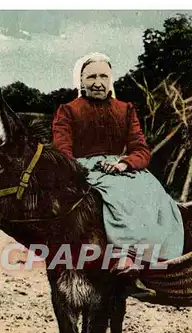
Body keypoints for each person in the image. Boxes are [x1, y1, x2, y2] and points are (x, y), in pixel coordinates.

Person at [52, 53, 184, 298]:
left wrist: (125, 164)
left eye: (104, 76)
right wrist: (80, 169)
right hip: (83, 169)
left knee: (153, 192)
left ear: (111, 80)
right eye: (91, 76)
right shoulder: (68, 111)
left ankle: (152, 263)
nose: (98, 82)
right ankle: (121, 257)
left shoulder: (125, 110)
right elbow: (62, 151)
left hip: (120, 167)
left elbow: (141, 149)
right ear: (81, 81)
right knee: (116, 194)